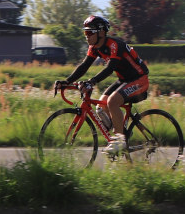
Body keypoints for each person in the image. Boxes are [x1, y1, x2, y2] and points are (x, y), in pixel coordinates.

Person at [56, 14, 150, 154]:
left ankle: (120, 141)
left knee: (112, 101)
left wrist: (92, 82)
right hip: (124, 80)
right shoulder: (94, 47)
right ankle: (120, 133)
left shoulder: (114, 45)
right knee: (101, 105)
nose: (86, 36)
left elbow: (110, 68)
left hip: (139, 79)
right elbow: (84, 66)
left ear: (100, 32)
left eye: (89, 32)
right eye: (85, 32)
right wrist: (67, 81)